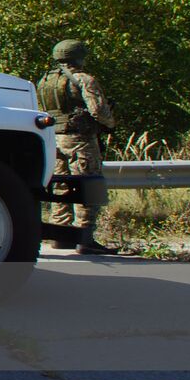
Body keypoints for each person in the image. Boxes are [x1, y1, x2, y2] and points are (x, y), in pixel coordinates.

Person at [38, 39, 118, 255]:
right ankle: (85, 238)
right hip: (80, 140)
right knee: (87, 185)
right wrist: (110, 123)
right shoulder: (83, 79)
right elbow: (98, 111)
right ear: (80, 57)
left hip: (54, 139)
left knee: (61, 187)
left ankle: (60, 236)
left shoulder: (45, 80)